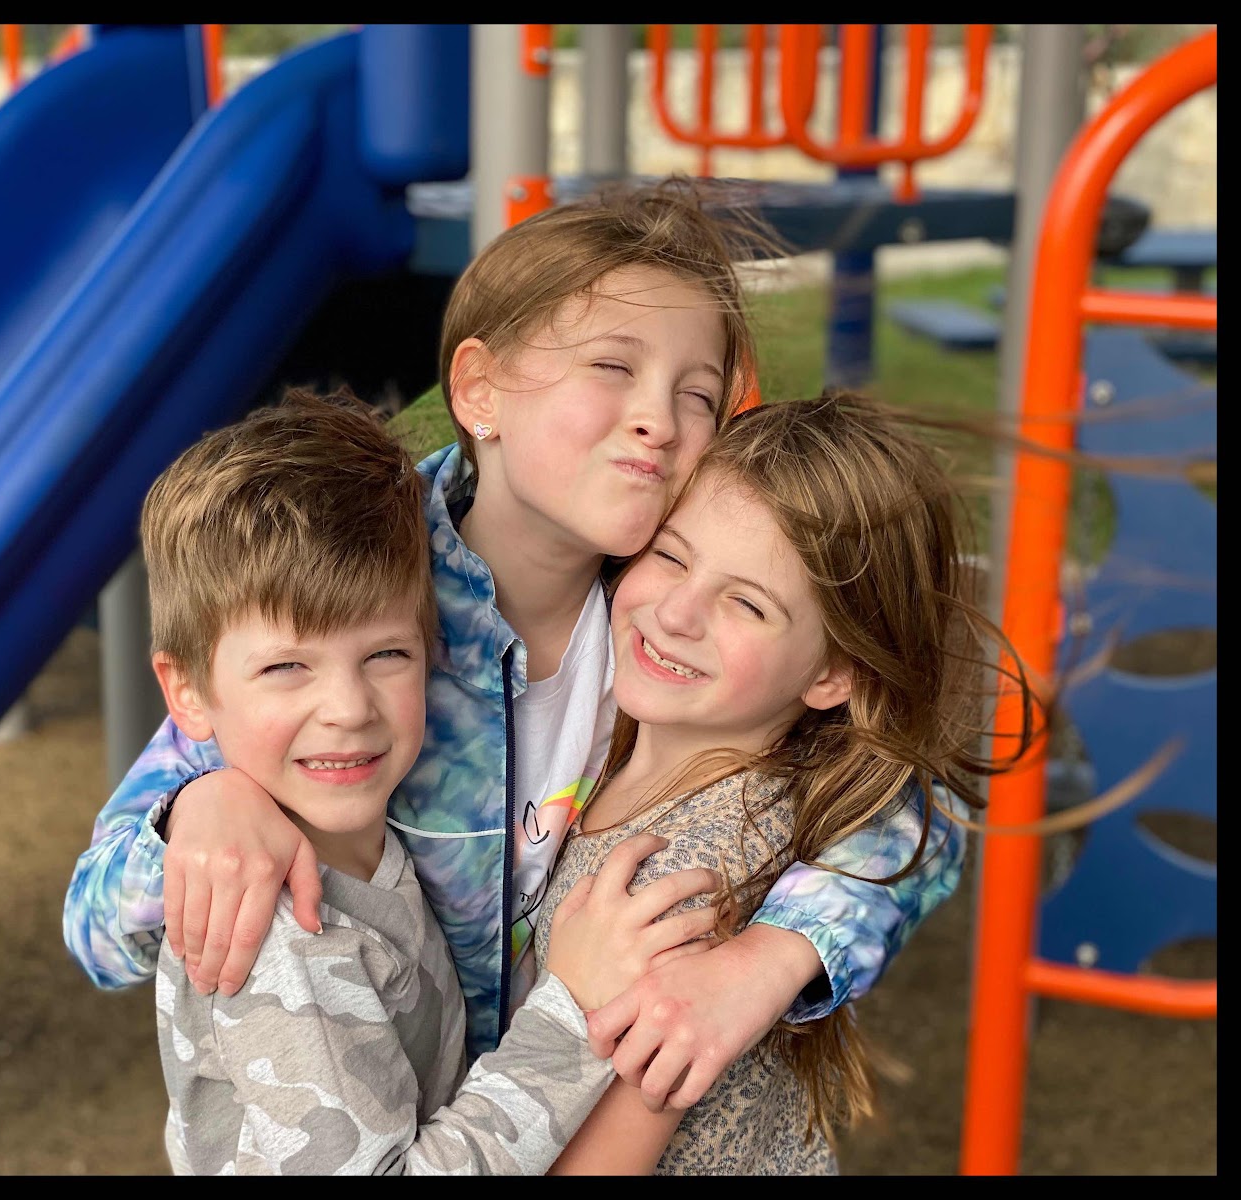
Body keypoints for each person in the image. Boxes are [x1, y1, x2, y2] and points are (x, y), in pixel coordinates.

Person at [64, 177, 967, 1108]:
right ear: (480, 390)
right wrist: (199, 809)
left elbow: (906, 808)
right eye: (612, 367)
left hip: (550, 1115)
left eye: (698, 394)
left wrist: (771, 961)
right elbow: (96, 932)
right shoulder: (352, 587)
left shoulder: (666, 613)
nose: (660, 420)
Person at [140, 390, 721, 1173]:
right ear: (186, 692)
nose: (348, 709)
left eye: (386, 655)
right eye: (286, 668)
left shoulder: (368, 852)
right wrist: (571, 1007)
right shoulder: (284, 935)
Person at [542, 392, 1038, 1174]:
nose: (677, 612)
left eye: (746, 603)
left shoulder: (678, 887)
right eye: (671, 555)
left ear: (833, 673)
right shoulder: (605, 728)